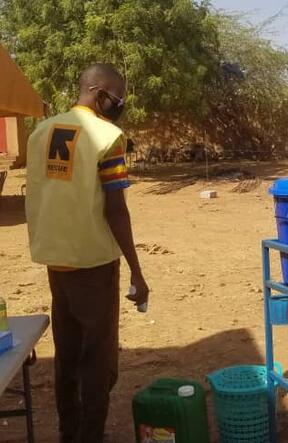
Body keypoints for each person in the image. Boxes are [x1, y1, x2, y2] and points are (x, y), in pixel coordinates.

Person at [25, 63, 150, 443]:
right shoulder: (106, 136)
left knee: (67, 354)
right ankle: (90, 435)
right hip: (93, 264)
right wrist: (136, 271)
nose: (121, 105)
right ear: (100, 94)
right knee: (98, 362)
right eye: (119, 97)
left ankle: (69, 432)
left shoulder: (40, 132)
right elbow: (116, 209)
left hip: (55, 261)